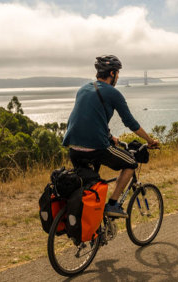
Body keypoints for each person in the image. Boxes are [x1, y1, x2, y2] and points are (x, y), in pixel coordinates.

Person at [62, 55, 159, 218]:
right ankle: (113, 205)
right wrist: (150, 141)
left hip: (74, 148)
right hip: (95, 148)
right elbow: (130, 122)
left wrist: (109, 136)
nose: (118, 77)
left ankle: (91, 225)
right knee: (131, 163)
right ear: (113, 73)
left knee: (90, 185)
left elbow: (89, 118)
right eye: (118, 73)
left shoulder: (83, 89)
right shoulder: (113, 93)